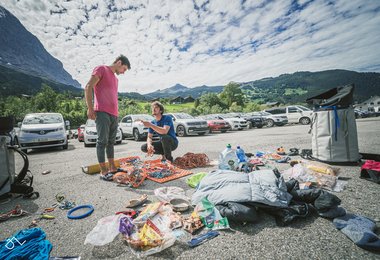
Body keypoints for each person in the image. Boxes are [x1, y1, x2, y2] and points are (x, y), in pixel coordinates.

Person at [85, 54, 130, 180]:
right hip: (102, 112)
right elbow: (88, 87)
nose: (123, 72)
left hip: (114, 114)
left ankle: (112, 168)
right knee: (102, 141)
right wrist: (90, 108)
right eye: (124, 69)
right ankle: (103, 172)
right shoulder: (101, 69)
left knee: (111, 142)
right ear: (119, 63)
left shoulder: (116, 80)